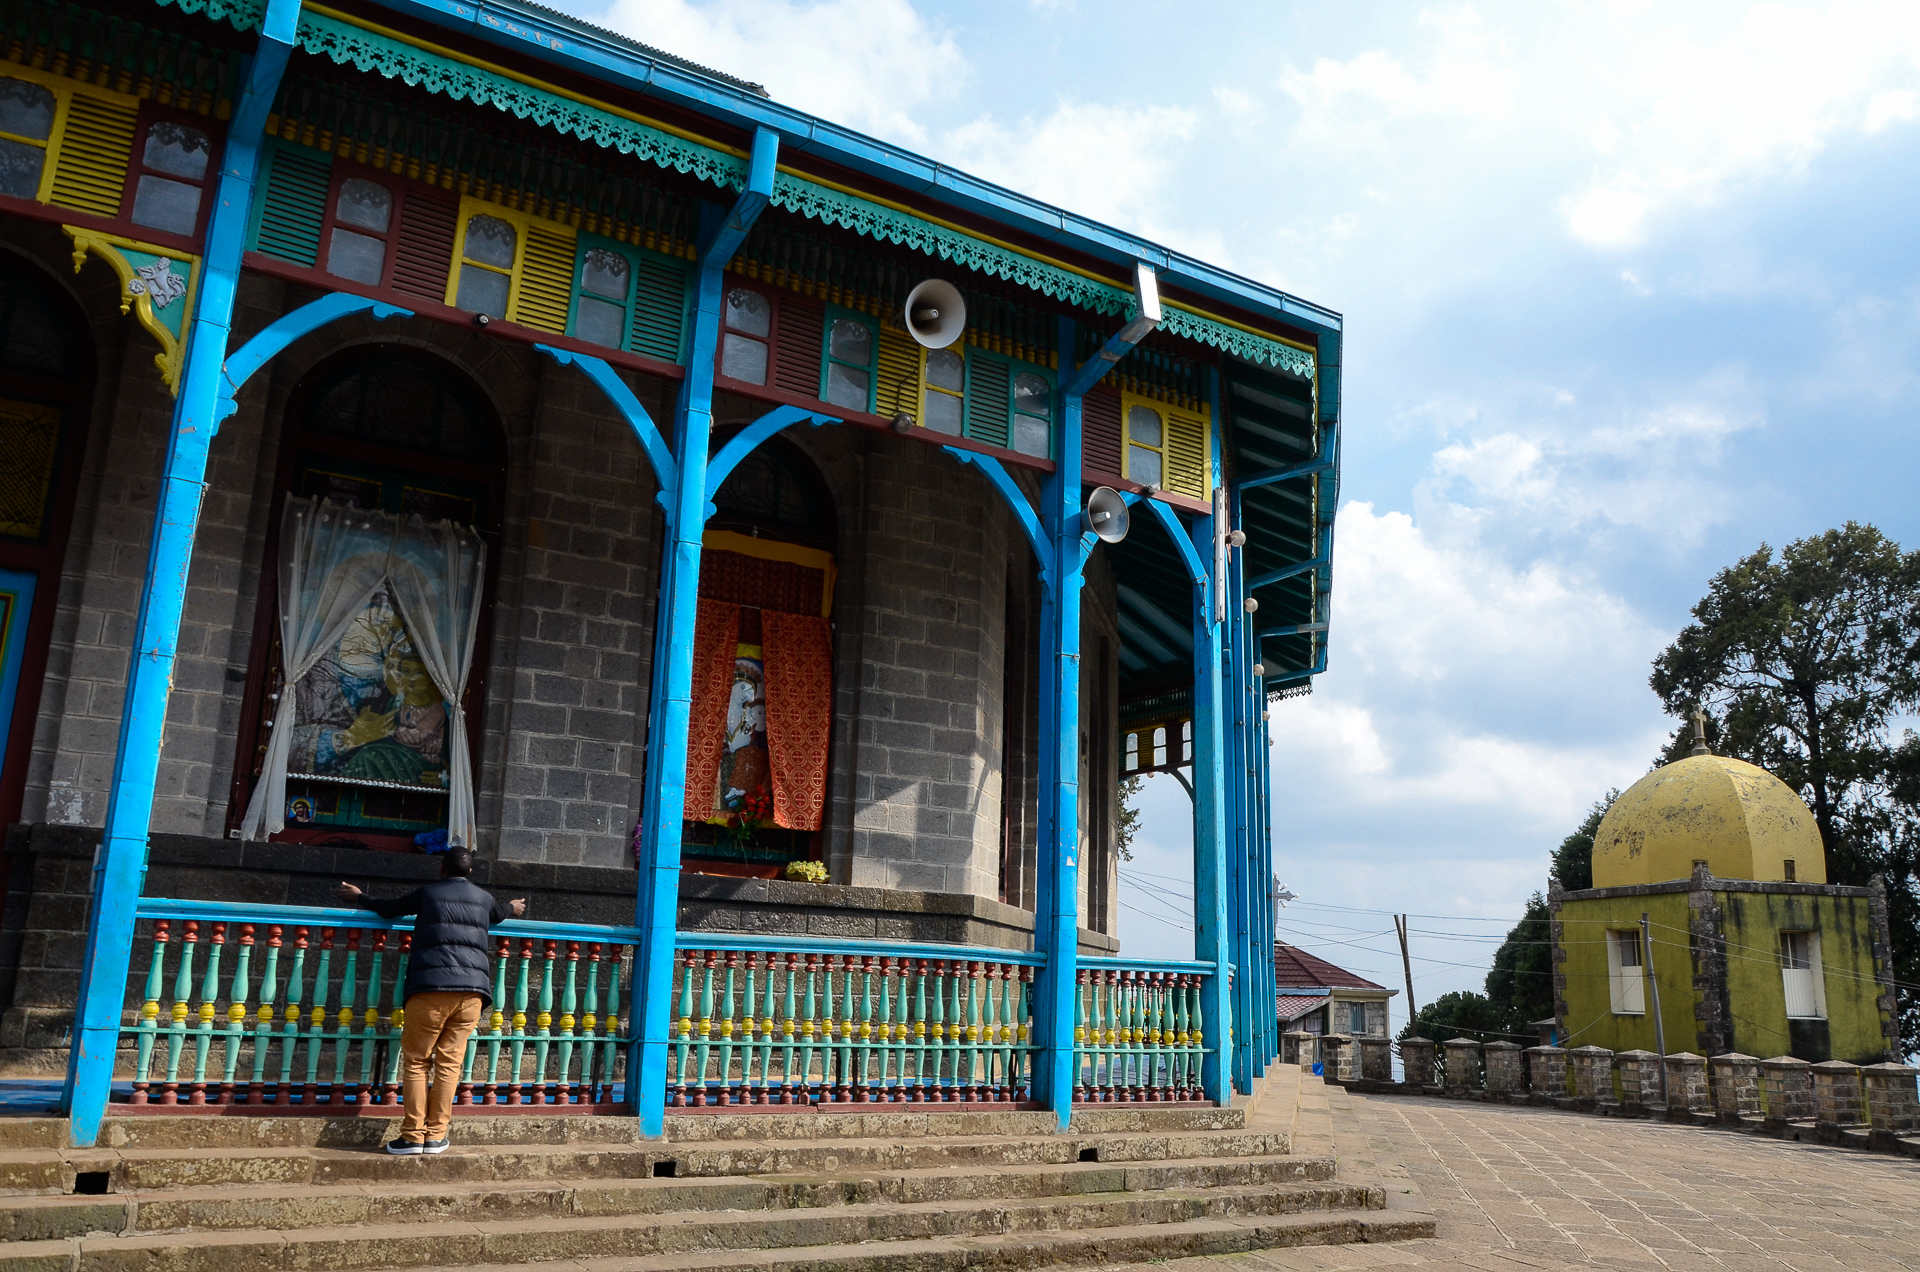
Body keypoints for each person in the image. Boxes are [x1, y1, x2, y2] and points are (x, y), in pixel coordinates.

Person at [336, 849, 525, 1154]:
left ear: (441, 868)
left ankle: (412, 1136)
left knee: (417, 1062)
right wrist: (513, 907)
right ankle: (436, 1136)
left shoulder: (428, 894)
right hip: (472, 992)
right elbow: (499, 913)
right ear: (471, 872)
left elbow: (390, 909)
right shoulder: (484, 899)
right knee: (450, 1064)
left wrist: (359, 896)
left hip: (430, 988)